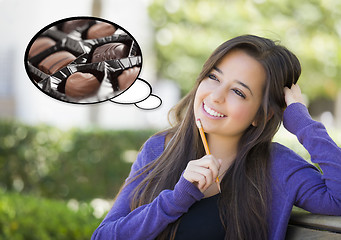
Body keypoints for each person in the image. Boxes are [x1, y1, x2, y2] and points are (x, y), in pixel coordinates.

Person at [91, 35, 341, 240]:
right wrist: (176, 199)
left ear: (261, 116)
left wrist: (303, 123)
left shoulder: (277, 166)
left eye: (238, 92)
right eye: (213, 77)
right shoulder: (159, 148)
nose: (216, 96)